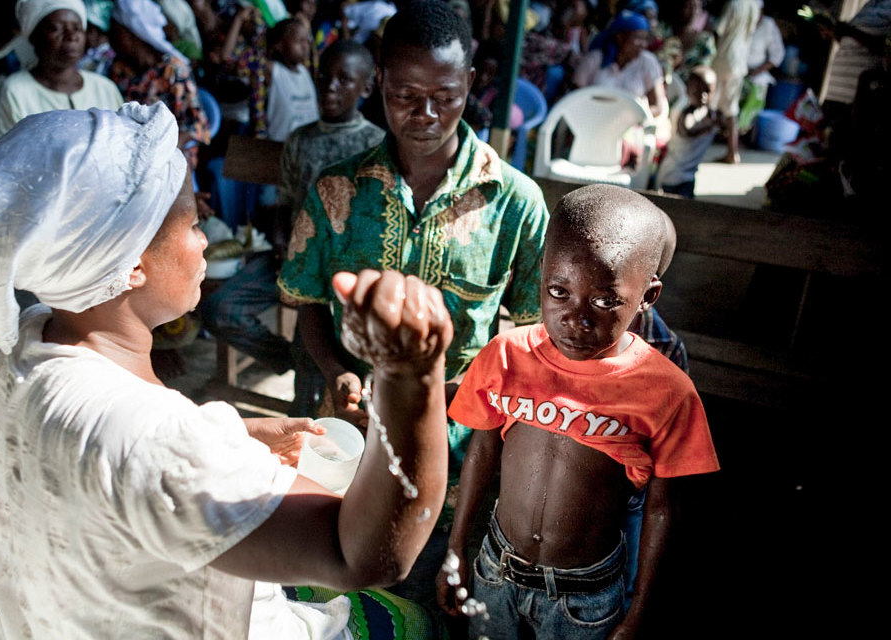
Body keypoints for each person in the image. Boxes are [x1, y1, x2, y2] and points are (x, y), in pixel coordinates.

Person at [0, 102, 451, 639]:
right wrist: (416, 376)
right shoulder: (158, 441)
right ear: (131, 262)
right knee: (416, 620)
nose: (206, 234)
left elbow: (110, 448)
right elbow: (367, 554)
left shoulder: (26, 340)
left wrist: (232, 435)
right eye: (192, 222)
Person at [277, 0, 548, 604]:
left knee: (424, 577)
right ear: (379, 83)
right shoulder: (337, 190)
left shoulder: (515, 203)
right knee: (332, 573)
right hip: (345, 422)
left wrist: (487, 421)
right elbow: (306, 303)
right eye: (404, 94)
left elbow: (531, 335)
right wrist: (338, 373)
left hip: (454, 431)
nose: (425, 113)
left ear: (471, 84)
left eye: (446, 96)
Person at [437, 184, 720, 640]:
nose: (576, 318)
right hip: (495, 569)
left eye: (606, 301)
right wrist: (455, 551)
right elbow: (481, 453)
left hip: (585, 595)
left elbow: (663, 510)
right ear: (541, 277)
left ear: (647, 298)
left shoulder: (667, 391)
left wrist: (639, 610)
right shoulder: (507, 355)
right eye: (559, 291)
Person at [202, 40, 384, 415]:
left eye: (343, 79)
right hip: (292, 260)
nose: (329, 87)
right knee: (220, 308)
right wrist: (285, 242)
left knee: (312, 349)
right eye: (323, 78)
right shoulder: (301, 139)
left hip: (339, 275)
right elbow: (286, 202)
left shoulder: (375, 145)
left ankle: (305, 396)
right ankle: (284, 359)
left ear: (366, 88)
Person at [0, 0, 124, 143]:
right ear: (34, 38)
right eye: (56, 29)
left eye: (77, 28)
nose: (71, 36)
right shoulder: (15, 92)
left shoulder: (105, 89)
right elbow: (5, 158)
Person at [108, 0, 210, 145]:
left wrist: (162, 153)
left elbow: (196, 127)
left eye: (118, 31)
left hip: (171, 147)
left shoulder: (173, 70)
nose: (113, 38)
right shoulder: (119, 70)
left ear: (135, 36)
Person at [573, 10, 669, 140]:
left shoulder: (648, 62)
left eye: (645, 39)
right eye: (637, 38)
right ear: (620, 38)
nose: (643, 45)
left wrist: (627, 118)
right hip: (590, 124)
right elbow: (574, 97)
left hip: (628, 129)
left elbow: (657, 107)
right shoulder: (595, 59)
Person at [655, 65, 721, 198]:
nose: (702, 95)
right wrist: (710, 126)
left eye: (707, 91)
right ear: (687, 90)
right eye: (697, 90)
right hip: (673, 176)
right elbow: (687, 129)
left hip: (688, 175)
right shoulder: (684, 114)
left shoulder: (709, 114)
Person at [709, 0, 760, 164]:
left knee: (710, 104)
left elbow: (718, 30)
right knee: (731, 109)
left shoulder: (733, 4)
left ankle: (698, 147)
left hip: (724, 59)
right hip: (739, 61)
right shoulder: (754, 6)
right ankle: (733, 151)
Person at [266, 18, 319, 142]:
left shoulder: (305, 72)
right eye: (299, 41)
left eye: (307, 41)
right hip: (279, 147)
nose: (305, 46)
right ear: (279, 45)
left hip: (308, 145)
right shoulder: (272, 71)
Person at [737, 5, 784, 134]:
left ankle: (742, 132)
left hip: (756, 74)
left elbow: (778, 55)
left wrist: (758, 70)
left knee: (753, 94)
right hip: (737, 71)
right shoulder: (740, 21)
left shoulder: (768, 25)